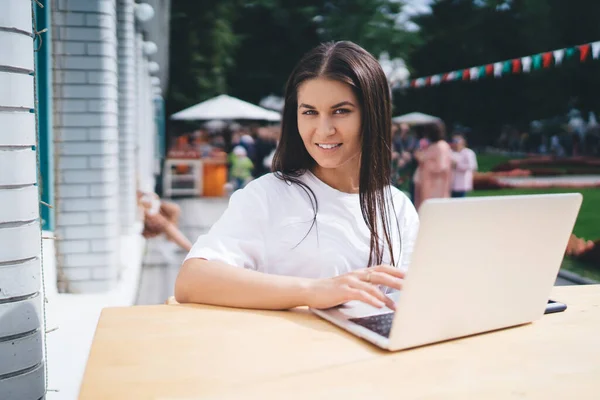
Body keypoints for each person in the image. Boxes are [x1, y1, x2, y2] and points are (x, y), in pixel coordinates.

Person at [175, 41, 419, 310]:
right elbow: (192, 280)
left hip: (376, 348)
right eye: (309, 112)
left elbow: (411, 295)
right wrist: (311, 291)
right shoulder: (268, 195)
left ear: (372, 115)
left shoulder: (397, 206)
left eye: (341, 111)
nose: (324, 130)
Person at [412, 122, 453, 211]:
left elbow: (441, 166)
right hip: (428, 183)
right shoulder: (434, 145)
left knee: (434, 208)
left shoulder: (441, 146)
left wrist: (424, 160)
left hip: (436, 185)